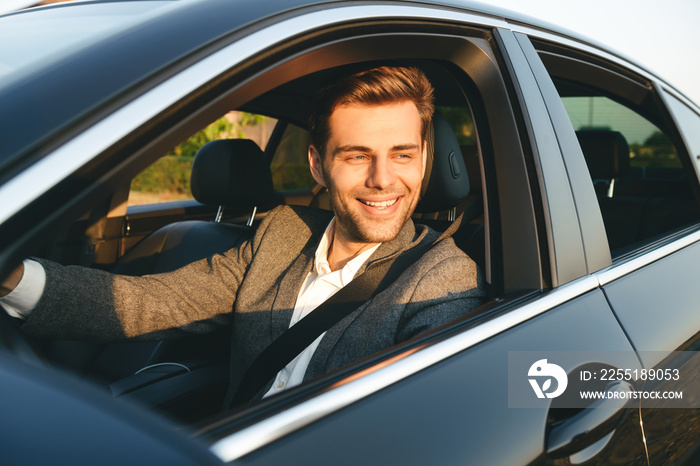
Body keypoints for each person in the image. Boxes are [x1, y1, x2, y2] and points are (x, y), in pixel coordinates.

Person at [0, 66, 485, 403]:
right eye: (357, 155)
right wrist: (12, 278)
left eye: (402, 154)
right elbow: (150, 302)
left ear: (424, 158)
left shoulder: (443, 278)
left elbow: (407, 428)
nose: (382, 178)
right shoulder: (282, 232)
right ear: (318, 165)